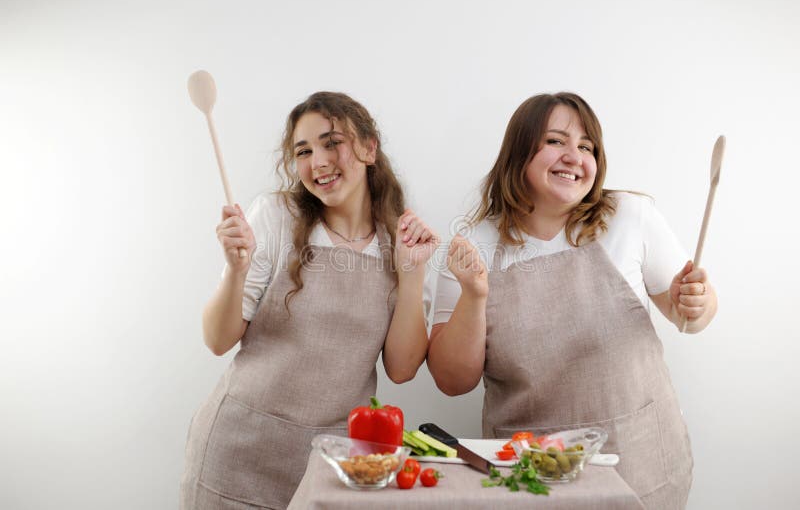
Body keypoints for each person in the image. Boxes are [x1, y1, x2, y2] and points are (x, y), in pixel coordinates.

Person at [427, 92, 717, 509]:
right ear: (518, 152)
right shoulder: (474, 246)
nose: (574, 156)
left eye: (586, 147)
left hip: (638, 466)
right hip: (528, 476)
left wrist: (697, 303)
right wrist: (474, 294)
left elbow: (690, 317)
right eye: (555, 141)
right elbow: (453, 382)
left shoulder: (629, 218)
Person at [180, 92, 436, 509]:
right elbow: (216, 339)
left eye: (332, 142)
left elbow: (403, 369)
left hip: (332, 462)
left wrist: (413, 275)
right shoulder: (276, 217)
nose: (317, 161)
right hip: (238, 451)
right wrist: (235, 270)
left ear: (370, 148)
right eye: (304, 151)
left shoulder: (400, 240)